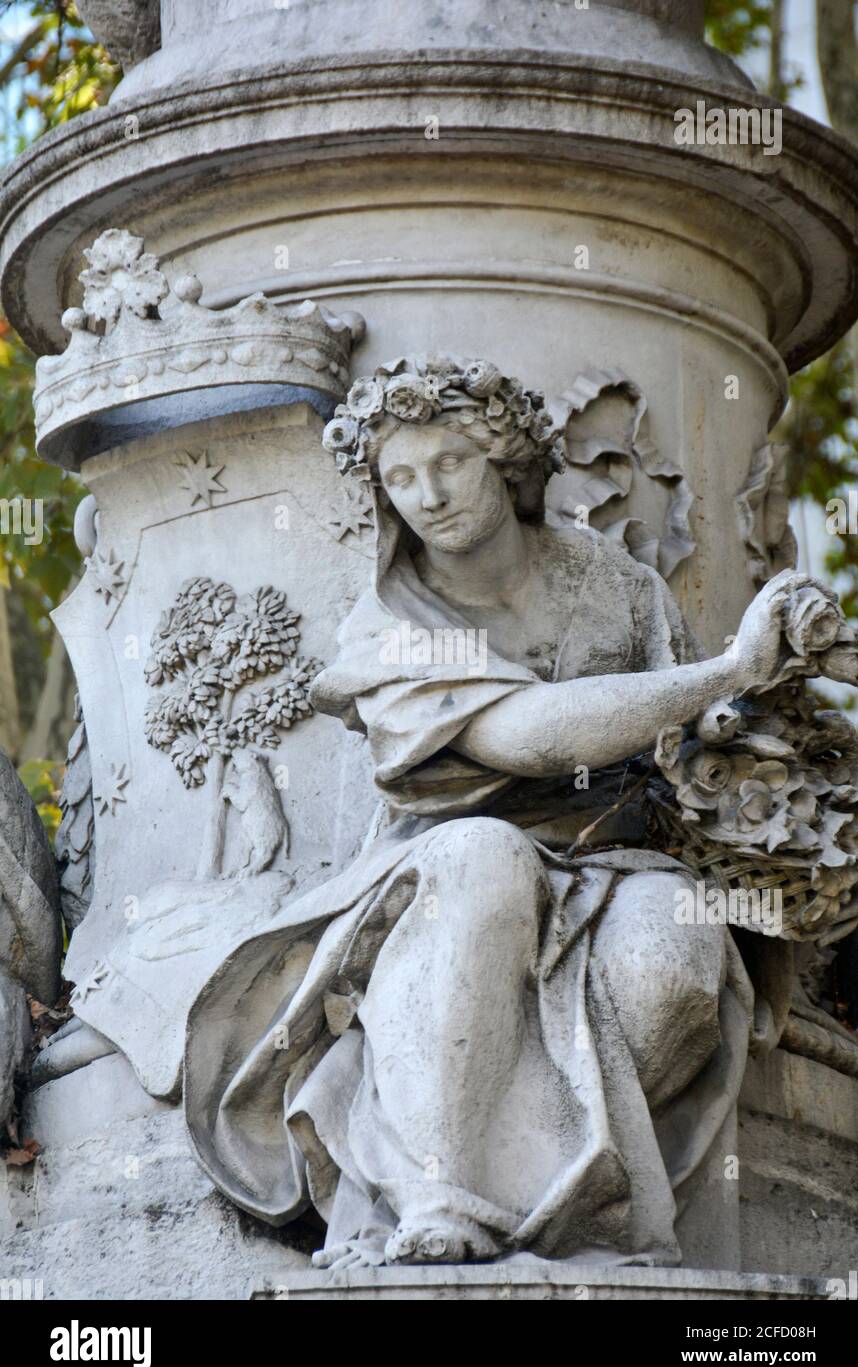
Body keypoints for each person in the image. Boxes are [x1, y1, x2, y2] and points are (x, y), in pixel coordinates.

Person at [184, 354, 799, 1270]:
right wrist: (726, 671)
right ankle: (441, 1190)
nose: (426, 496)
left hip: (615, 863)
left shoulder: (618, 584)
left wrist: (775, 708)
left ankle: (569, 1209)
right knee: (482, 858)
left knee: (679, 948)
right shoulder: (386, 629)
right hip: (445, 872)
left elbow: (702, 747)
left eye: (449, 464)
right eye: (399, 479)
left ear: (505, 459)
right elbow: (534, 737)